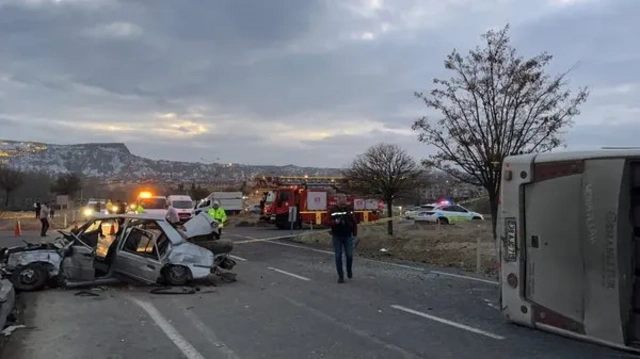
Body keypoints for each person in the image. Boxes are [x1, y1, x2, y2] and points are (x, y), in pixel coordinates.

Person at [323, 197, 358, 283]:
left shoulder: (349, 210)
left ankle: (349, 270)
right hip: (337, 236)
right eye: (341, 203)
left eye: (344, 203)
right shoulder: (332, 210)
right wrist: (335, 222)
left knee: (349, 255)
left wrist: (355, 234)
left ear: (346, 202)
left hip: (348, 236)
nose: (343, 204)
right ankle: (340, 276)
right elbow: (325, 222)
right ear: (337, 202)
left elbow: (354, 222)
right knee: (338, 256)